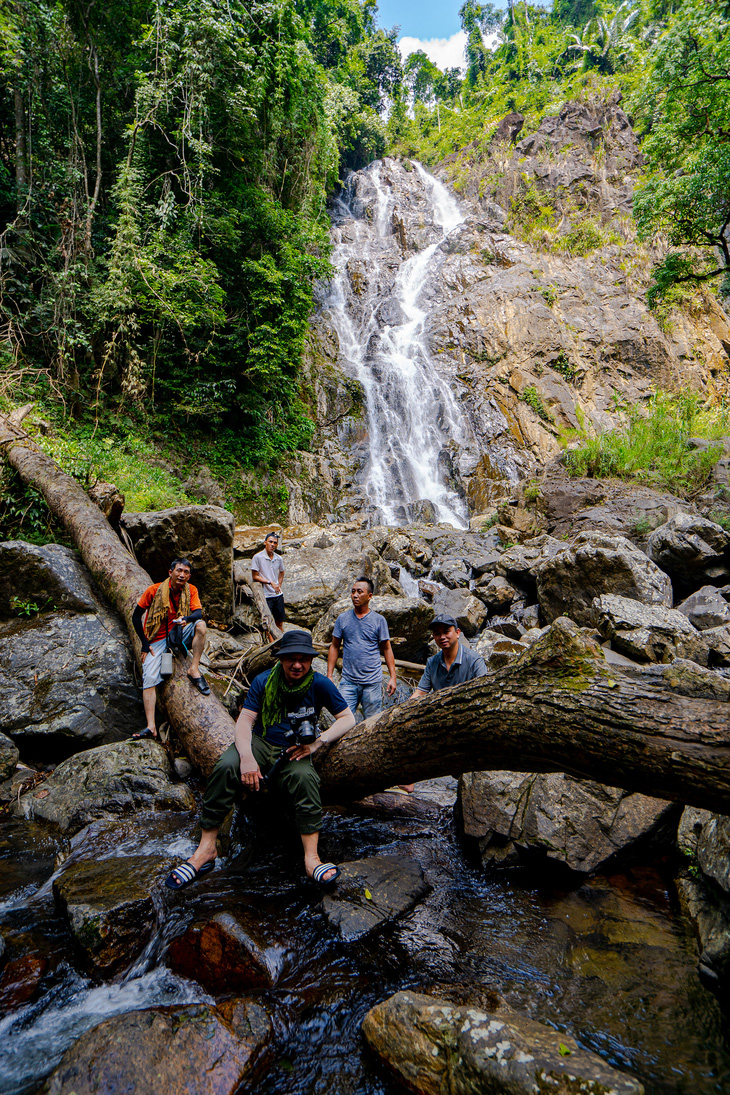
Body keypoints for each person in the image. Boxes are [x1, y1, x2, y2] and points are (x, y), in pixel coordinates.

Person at [165, 630, 355, 890]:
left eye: (304, 659)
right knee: (225, 766)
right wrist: (246, 758)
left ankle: (311, 858)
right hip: (260, 741)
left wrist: (316, 743)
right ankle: (206, 848)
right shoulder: (264, 681)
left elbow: (348, 718)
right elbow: (245, 720)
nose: (297, 664)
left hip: (294, 748)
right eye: (291, 659)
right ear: (281, 659)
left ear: (311, 661)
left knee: (306, 778)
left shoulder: (320, 684)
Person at [131, 557, 209, 739]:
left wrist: (186, 619)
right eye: (179, 571)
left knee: (201, 626)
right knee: (149, 677)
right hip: (157, 637)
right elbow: (136, 617)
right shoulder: (154, 590)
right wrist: (144, 643)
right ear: (170, 572)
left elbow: (198, 612)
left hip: (179, 630)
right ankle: (151, 727)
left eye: (186, 572)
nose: (182, 575)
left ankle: (194, 668)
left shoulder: (191, 590)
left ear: (189, 576)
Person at [327, 577, 397, 720]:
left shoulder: (379, 620)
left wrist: (393, 677)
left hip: (372, 682)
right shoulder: (343, 618)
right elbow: (334, 646)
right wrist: (329, 675)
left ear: (370, 596)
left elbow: (387, 649)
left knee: (372, 723)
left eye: (360, 592)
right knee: (342, 722)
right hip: (348, 680)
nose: (355, 595)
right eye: (353, 592)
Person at [411, 614, 488, 698]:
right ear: (434, 637)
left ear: (457, 633)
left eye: (446, 632)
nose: (442, 637)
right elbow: (420, 692)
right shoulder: (432, 663)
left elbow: (485, 690)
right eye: (437, 633)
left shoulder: (474, 660)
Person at [251, 532, 285, 631]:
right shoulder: (257, 557)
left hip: (277, 595)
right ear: (265, 542)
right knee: (268, 622)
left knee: (279, 621)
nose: (272, 544)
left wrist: (279, 584)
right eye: (270, 542)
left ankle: (281, 643)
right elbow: (254, 576)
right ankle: (272, 644)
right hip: (266, 595)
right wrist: (270, 582)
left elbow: (282, 572)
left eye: (275, 543)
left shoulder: (278, 558)